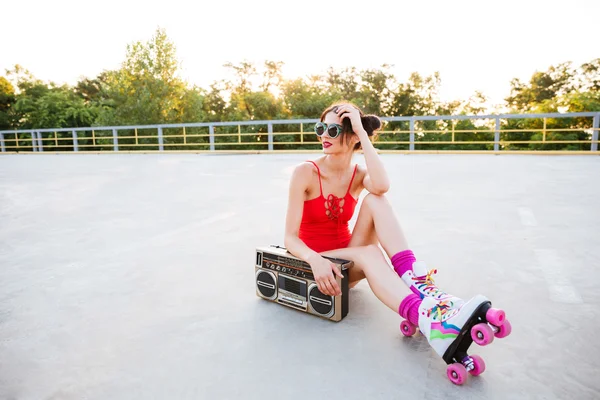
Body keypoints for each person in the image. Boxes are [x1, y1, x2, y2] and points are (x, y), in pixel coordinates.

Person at [283, 101, 500, 370]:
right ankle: (428, 321)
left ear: (352, 137)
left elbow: (383, 185)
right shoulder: (305, 172)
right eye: (320, 128)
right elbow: (290, 238)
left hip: (349, 262)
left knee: (377, 200)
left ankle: (423, 289)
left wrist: (363, 133)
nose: (323, 135)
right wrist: (314, 259)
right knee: (370, 252)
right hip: (319, 266)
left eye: (333, 130)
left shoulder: (359, 174)